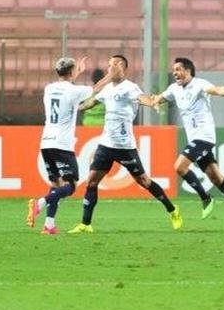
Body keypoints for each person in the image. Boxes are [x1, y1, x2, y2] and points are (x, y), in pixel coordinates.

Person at [69, 54, 182, 233]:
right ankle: (85, 224)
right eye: (108, 65)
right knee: (91, 182)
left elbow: (141, 98)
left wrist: (152, 103)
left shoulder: (130, 87)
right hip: (105, 145)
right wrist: (75, 108)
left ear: (121, 66)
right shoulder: (106, 89)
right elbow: (91, 102)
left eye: (112, 65)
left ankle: (172, 209)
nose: (109, 68)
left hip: (125, 146)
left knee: (144, 181)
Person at [152, 57, 224, 225]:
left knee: (179, 166)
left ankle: (205, 197)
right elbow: (160, 97)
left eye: (178, 69)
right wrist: (155, 101)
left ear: (188, 71)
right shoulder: (174, 89)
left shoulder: (200, 84)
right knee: (216, 178)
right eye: (174, 70)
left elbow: (218, 90)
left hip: (204, 137)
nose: (175, 73)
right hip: (194, 138)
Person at [25, 56, 105, 235]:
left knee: (56, 185)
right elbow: (96, 89)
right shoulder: (74, 91)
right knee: (70, 185)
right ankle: (39, 203)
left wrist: (76, 72)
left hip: (46, 142)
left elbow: (67, 86)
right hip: (62, 144)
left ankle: (49, 225)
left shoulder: (49, 89)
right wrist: (110, 76)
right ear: (71, 72)